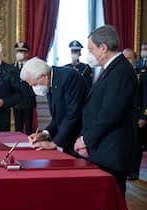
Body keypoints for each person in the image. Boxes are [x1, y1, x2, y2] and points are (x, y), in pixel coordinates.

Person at [74, 25, 138, 196]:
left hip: (113, 152)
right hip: (103, 148)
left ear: (103, 47)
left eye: (91, 49)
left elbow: (110, 113)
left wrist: (85, 139)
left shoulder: (121, 71)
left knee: (113, 200)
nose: (90, 54)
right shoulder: (111, 68)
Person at [21, 57, 87, 153]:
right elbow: (58, 117)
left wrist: (54, 143)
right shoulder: (50, 81)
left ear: (43, 76)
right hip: (67, 138)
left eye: (34, 84)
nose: (34, 88)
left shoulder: (69, 78)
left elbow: (72, 115)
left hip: (79, 139)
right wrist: (45, 134)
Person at [123, 48, 147, 180]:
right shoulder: (122, 75)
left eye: (129, 58)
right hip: (125, 117)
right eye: (124, 58)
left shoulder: (142, 74)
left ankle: (134, 172)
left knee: (136, 145)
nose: (126, 61)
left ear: (135, 60)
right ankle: (126, 169)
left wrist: (144, 116)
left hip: (137, 117)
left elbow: (146, 98)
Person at [12, 42, 36, 135]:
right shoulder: (12, 67)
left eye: (22, 51)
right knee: (18, 127)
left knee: (29, 128)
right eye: (18, 51)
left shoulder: (32, 66)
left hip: (28, 100)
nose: (20, 54)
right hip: (16, 101)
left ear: (27, 53)